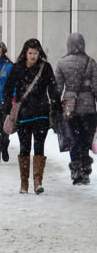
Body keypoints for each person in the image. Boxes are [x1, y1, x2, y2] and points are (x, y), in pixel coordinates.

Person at [3, 38, 60, 194]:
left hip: (41, 112)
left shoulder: (45, 67)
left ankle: (37, 181)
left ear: (39, 53)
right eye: (30, 53)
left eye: (35, 53)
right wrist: (8, 107)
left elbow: (53, 88)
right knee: (25, 146)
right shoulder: (18, 67)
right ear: (25, 53)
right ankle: (24, 183)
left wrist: (55, 107)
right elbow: (8, 88)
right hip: (24, 113)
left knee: (39, 146)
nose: (33, 56)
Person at [54, 32, 97, 186]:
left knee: (73, 139)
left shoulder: (61, 63)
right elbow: (96, 87)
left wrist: (55, 106)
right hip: (88, 108)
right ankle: (85, 171)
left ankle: (76, 170)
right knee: (86, 140)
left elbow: (57, 89)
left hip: (69, 106)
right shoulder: (90, 62)